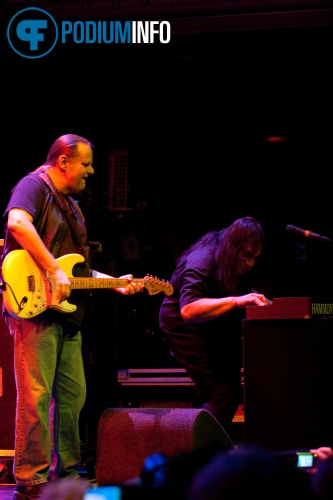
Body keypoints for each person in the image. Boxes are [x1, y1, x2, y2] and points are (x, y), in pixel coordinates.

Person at [1, 134, 142, 500]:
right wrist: (53, 269)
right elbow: (17, 223)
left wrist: (115, 283)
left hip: (67, 316)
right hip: (36, 309)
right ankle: (31, 480)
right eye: (86, 163)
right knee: (35, 395)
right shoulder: (34, 185)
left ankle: (65, 477)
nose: (92, 171)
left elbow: (75, 269)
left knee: (72, 396)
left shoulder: (72, 206)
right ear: (64, 161)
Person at [159, 216, 271, 436]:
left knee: (224, 389)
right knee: (223, 392)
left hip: (209, 325)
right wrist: (238, 300)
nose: (250, 264)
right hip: (183, 327)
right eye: (247, 256)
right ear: (234, 246)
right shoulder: (201, 260)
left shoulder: (229, 258)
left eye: (255, 259)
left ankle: (206, 450)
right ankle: (200, 452)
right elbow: (189, 309)